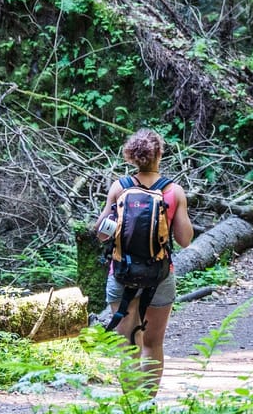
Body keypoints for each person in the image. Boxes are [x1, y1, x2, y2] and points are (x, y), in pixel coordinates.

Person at [95, 128, 194, 394]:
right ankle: (147, 404)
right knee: (152, 343)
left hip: (122, 272)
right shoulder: (174, 191)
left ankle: (131, 407)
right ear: (159, 154)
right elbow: (185, 240)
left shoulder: (119, 187)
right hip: (160, 275)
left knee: (128, 346)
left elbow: (102, 234)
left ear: (131, 157)